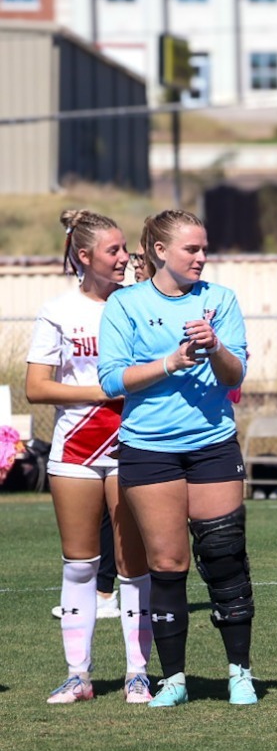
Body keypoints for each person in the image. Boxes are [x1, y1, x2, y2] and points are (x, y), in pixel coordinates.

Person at [97, 210, 254, 707]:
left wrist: (216, 346)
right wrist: (171, 362)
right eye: (192, 249)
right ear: (160, 251)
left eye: (205, 248)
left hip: (212, 444)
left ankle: (240, 674)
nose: (202, 257)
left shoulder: (220, 300)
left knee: (225, 557)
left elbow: (235, 375)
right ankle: (174, 680)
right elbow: (111, 379)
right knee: (167, 564)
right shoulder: (125, 304)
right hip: (149, 450)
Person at [27, 210, 152, 704]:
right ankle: (78, 675)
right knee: (79, 564)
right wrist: (102, 391)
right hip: (75, 448)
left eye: (125, 249)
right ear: (84, 256)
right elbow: (37, 387)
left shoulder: (140, 304)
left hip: (133, 443)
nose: (124, 258)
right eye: (113, 250)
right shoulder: (58, 310)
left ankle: (138, 673)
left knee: (132, 565)